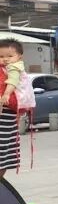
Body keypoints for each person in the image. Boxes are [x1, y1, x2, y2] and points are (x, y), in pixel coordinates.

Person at [0, 39, 24, 180]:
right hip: (10, 115)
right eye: (1, 56)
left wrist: (6, 94)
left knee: (4, 153)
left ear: (19, 56)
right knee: (4, 154)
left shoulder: (14, 68)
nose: (5, 59)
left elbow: (12, 83)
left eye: (9, 56)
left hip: (6, 115)